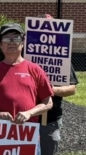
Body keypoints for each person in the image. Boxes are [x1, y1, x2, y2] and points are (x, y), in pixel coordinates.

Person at [0, 23, 54, 125]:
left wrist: (29, 113)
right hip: (0, 131)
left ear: (23, 43)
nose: (11, 42)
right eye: (7, 39)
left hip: (28, 131)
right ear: (0, 44)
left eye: (16, 39)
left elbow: (48, 102)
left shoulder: (35, 69)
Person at [37, 15, 79, 155]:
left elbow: (72, 89)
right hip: (28, 118)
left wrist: (51, 90)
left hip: (51, 119)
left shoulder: (62, 58)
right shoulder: (26, 57)